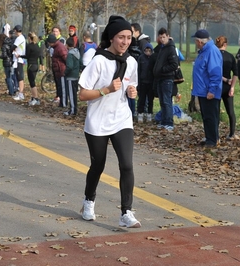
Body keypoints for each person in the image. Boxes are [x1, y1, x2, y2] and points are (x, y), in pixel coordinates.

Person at [78, 15, 140, 228]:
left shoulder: (131, 62)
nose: (125, 42)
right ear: (112, 38)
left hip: (122, 119)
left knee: (127, 165)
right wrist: (105, 90)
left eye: (129, 38)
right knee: (98, 165)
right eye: (121, 37)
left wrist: (132, 92)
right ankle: (89, 200)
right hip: (97, 121)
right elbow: (82, 94)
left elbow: (131, 87)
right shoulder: (99, 61)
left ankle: (126, 213)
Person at [191, 29, 223, 147]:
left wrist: (212, 90)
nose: (195, 43)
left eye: (196, 41)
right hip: (202, 90)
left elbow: (215, 73)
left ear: (200, 42)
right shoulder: (204, 51)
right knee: (206, 116)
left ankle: (212, 140)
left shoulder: (211, 51)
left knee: (211, 116)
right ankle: (210, 137)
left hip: (208, 91)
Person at [153, 27, 179, 131]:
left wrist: (163, 69)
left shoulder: (171, 48)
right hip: (160, 77)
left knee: (167, 101)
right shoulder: (162, 47)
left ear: (168, 36)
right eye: (160, 37)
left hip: (167, 78)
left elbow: (174, 64)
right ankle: (164, 121)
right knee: (162, 101)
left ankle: (169, 122)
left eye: (164, 37)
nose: (162, 39)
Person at [215, 36, 238, 140]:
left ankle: (215, 134)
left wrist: (223, 79)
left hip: (216, 86)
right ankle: (232, 133)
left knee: (215, 111)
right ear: (225, 45)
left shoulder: (215, 56)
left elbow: (214, 72)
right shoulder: (230, 57)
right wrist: (232, 86)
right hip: (228, 87)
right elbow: (236, 74)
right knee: (231, 112)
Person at [47, 33, 68, 107]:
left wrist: (66, 69)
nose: (49, 45)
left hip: (62, 71)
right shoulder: (56, 47)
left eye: (49, 43)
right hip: (58, 71)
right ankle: (62, 103)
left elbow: (66, 58)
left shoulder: (60, 48)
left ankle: (64, 104)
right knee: (60, 87)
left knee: (63, 88)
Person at [137, 43, 155, 123]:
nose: (148, 52)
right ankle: (140, 113)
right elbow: (138, 70)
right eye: (146, 50)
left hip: (151, 82)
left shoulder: (153, 58)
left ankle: (149, 114)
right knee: (141, 99)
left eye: (149, 51)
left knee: (150, 100)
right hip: (143, 82)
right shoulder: (141, 58)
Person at [22, 32, 41, 106]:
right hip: (36, 64)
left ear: (29, 38)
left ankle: (35, 98)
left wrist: (19, 55)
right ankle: (33, 97)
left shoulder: (29, 46)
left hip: (31, 65)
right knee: (33, 82)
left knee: (32, 83)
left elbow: (27, 56)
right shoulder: (37, 46)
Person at [64, 37, 80, 115]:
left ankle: (72, 110)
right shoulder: (77, 52)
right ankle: (74, 109)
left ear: (67, 45)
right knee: (74, 94)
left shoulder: (70, 54)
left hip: (71, 76)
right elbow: (80, 62)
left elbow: (69, 66)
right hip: (76, 75)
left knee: (71, 94)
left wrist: (65, 73)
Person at [11, 25, 26, 101]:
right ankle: (20, 93)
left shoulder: (19, 38)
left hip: (18, 59)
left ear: (16, 31)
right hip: (19, 59)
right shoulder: (22, 37)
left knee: (20, 78)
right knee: (19, 77)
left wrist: (13, 49)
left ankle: (21, 93)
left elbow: (13, 47)